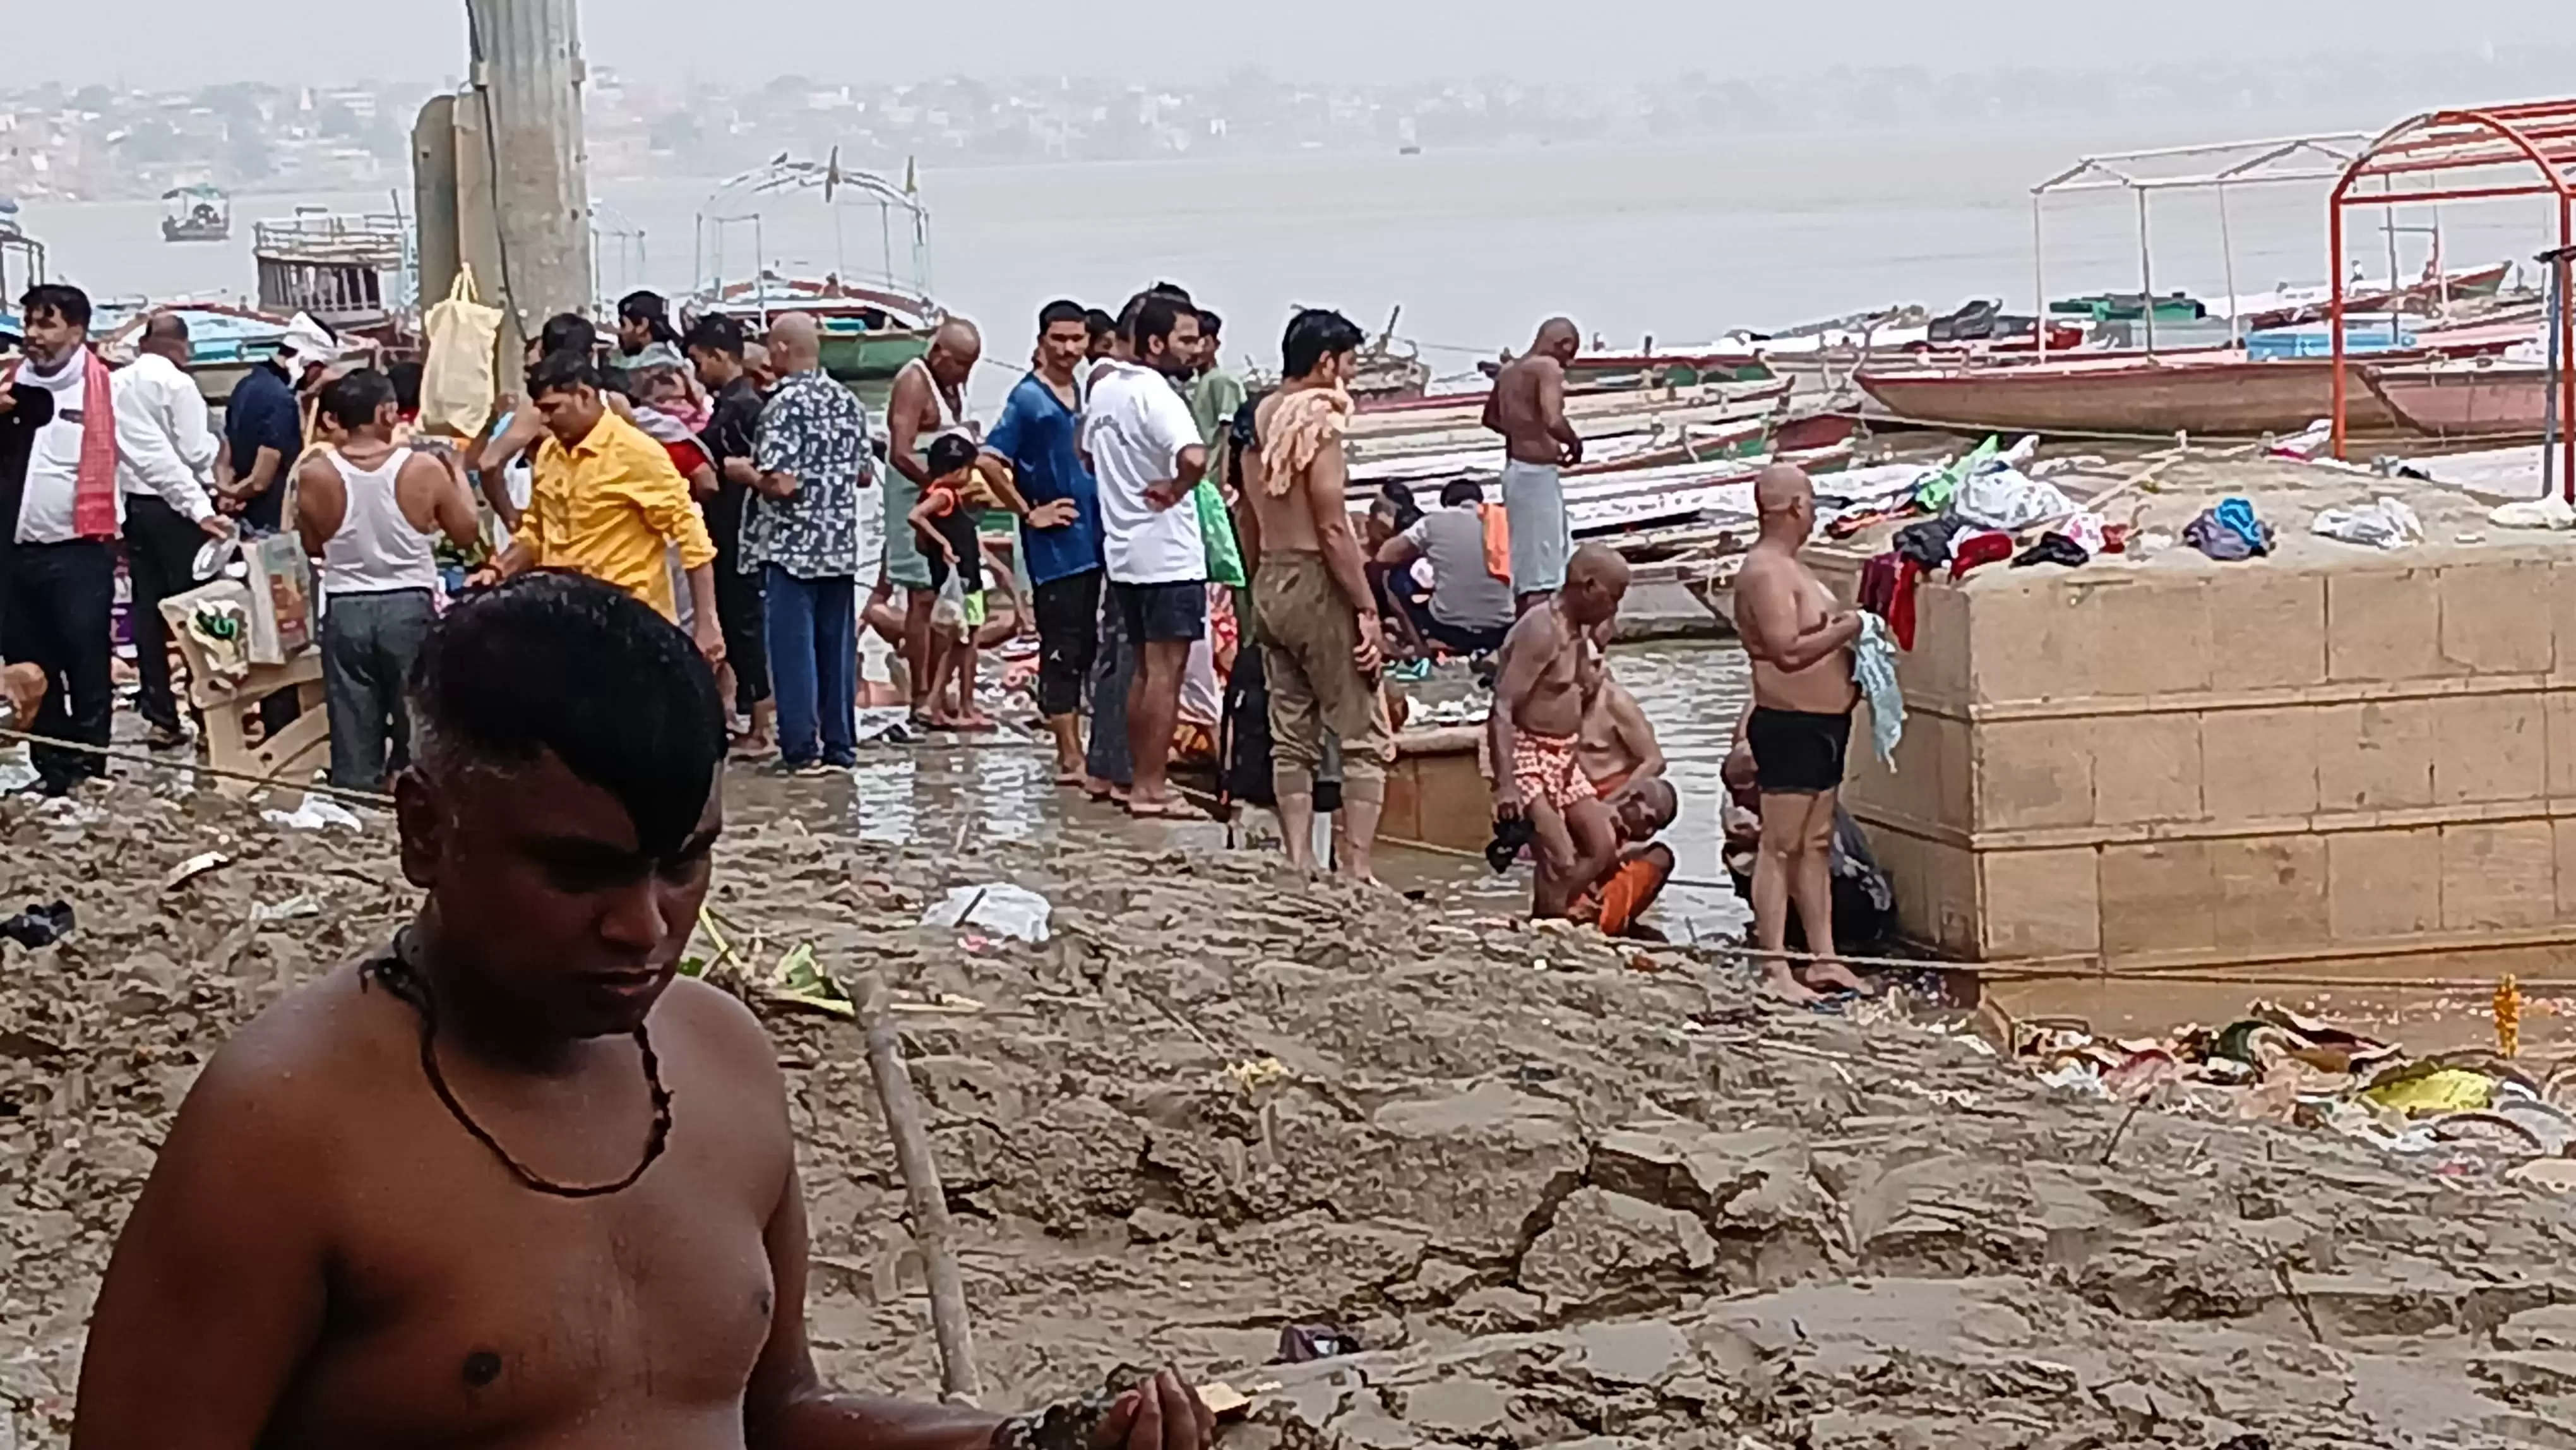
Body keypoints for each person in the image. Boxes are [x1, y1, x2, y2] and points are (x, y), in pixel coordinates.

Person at [72, 571, 1217, 1450]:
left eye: (684, 863)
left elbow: (772, 1415)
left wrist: (1021, 1440)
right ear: (426, 828)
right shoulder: (288, 1128)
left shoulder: (720, 1058)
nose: (644, 924)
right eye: (579, 874)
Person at [1238, 307, 1390, 877]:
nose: (1348, 379)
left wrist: (1257, 583)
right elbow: (1332, 526)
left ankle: (1299, 859)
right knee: (1363, 731)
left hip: (1271, 578)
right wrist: (1366, 607)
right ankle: (1356, 867)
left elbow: (1246, 516)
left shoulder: (1252, 422)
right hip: (1313, 579)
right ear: (1325, 363)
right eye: (1348, 365)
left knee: (1291, 732)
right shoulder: (1316, 423)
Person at [292, 368, 480, 792]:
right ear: (386, 412)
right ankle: (417, 799)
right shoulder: (423, 469)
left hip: (344, 607)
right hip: (408, 604)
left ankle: (357, 802)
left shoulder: (315, 474)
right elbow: (467, 533)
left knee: (351, 718)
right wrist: (457, 470)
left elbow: (313, 546)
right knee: (415, 716)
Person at [482, 350, 723, 666]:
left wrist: (707, 623)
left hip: (630, 623)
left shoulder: (637, 453)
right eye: (541, 411)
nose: (546, 420)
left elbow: (692, 538)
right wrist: (499, 569)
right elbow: (536, 534)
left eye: (554, 408)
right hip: (567, 620)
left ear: (584, 395)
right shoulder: (551, 455)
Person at [1734, 462, 1871, 1004]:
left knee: (1815, 843)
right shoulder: (1765, 572)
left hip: (1826, 724)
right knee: (1780, 844)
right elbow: (1787, 651)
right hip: (1789, 723)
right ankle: (1774, 967)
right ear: (1794, 507)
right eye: (1810, 504)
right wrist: (1848, 627)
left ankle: (1824, 957)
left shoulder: (1797, 569)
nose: (1813, 515)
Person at [1083, 291, 1209, 818]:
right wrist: (1177, 488)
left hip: (1124, 549)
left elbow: (1085, 453)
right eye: (1185, 339)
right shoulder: (1159, 397)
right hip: (1167, 552)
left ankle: (1132, 778)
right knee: (1166, 672)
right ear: (1155, 343)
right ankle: (1151, 788)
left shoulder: (1105, 389)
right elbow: (1195, 457)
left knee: (1140, 669)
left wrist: (1123, 481)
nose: (1196, 349)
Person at [0, 285, 125, 794]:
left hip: (80, 552)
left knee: (86, 659)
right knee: (32, 665)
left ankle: (90, 767)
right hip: (14, 554)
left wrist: (201, 509)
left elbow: (149, 459)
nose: (34, 336)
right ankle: (50, 768)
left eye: (47, 324)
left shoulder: (105, 389)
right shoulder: (7, 384)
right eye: (30, 323)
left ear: (77, 332)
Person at [743, 314, 869, 774]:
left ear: (779, 349)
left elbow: (782, 482)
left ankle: (801, 748)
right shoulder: (849, 401)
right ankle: (840, 745)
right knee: (835, 651)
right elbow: (863, 474)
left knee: (794, 653)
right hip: (839, 542)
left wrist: (747, 474)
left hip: (793, 545)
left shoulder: (783, 406)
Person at [983, 299, 1100, 781]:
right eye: (1060, 339)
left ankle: (1086, 746)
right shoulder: (1028, 399)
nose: (1069, 349)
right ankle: (1068, 755)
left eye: (1077, 339)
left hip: (1094, 541)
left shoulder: (1082, 391)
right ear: (1041, 342)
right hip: (1056, 549)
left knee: (1090, 646)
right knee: (1061, 648)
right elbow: (989, 460)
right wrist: (1029, 512)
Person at [1488, 542, 1630, 919]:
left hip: (1563, 755)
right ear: (1588, 586)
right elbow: (1502, 707)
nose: (1614, 608)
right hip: (1527, 753)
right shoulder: (1542, 630)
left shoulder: (1580, 634)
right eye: (1612, 597)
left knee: (1603, 846)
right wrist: (1506, 784)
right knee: (1561, 858)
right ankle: (1549, 922)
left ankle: (1549, 914)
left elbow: (1578, 698)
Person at [116, 311, 232, 750]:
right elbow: (191, 449)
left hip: (136, 508)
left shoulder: (116, 383)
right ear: (181, 346)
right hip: (182, 508)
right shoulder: (179, 385)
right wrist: (216, 448)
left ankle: (161, 716)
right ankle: (208, 715)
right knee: (196, 610)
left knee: (148, 612)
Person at [883, 320, 984, 713]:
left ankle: (939, 692)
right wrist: (937, 485)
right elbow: (900, 450)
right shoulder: (914, 381)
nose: (965, 373)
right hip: (919, 496)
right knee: (922, 595)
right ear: (939, 352)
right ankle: (922, 692)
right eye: (960, 363)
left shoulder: (951, 385)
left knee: (947, 591)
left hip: (949, 501)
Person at [686, 312, 775, 756]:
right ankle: (749, 714)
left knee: (743, 625)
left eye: (700, 362)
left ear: (721, 357)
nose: (698, 374)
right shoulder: (739, 402)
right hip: (732, 529)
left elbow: (717, 465)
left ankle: (760, 725)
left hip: (737, 532)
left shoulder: (741, 406)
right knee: (740, 622)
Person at [1721, 729, 1896, 952]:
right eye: (1733, 791)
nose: (1738, 802)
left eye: (1745, 792)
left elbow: (1832, 866)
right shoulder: (1739, 810)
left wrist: (1768, 839)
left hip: (1855, 893)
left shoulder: (1807, 803)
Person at [1482, 318, 1583, 610]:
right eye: (1570, 352)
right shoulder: (1547, 368)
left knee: (1528, 568)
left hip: (1515, 470)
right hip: (1537, 475)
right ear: (1561, 344)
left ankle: (1529, 630)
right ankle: (1541, 637)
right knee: (1544, 573)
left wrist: (1522, 433)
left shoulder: (1508, 372)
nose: (1569, 363)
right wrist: (1573, 443)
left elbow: (1490, 419)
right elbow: (1553, 419)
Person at [907, 434, 999, 730]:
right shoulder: (944, 495)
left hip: (960, 579)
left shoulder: (938, 492)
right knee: (963, 642)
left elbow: (920, 538)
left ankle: (955, 704)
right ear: (958, 469)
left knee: (966, 640)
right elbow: (916, 517)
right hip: (961, 581)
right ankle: (950, 705)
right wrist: (944, 544)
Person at [218, 311, 338, 533]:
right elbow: (260, 480)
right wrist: (234, 494)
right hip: (272, 523)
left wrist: (227, 491)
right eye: (320, 369)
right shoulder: (281, 401)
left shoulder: (246, 385)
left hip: (245, 519)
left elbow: (225, 453)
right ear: (307, 362)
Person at [1375, 477, 1515, 659]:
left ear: (1447, 504)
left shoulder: (1433, 522)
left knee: (1393, 577)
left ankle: (1420, 645)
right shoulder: (1507, 522)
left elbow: (1384, 556)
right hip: (1502, 631)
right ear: (1480, 501)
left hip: (1447, 629)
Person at [1577, 669, 1666, 803]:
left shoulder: (1616, 701)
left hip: (1616, 792)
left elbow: (1654, 762)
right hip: (1576, 796)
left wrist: (1613, 801)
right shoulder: (1551, 698)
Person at [1188, 308, 1246, 453]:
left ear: (1214, 344)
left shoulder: (1222, 381)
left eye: (1203, 343)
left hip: (1213, 473)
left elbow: (1229, 437)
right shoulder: (1197, 383)